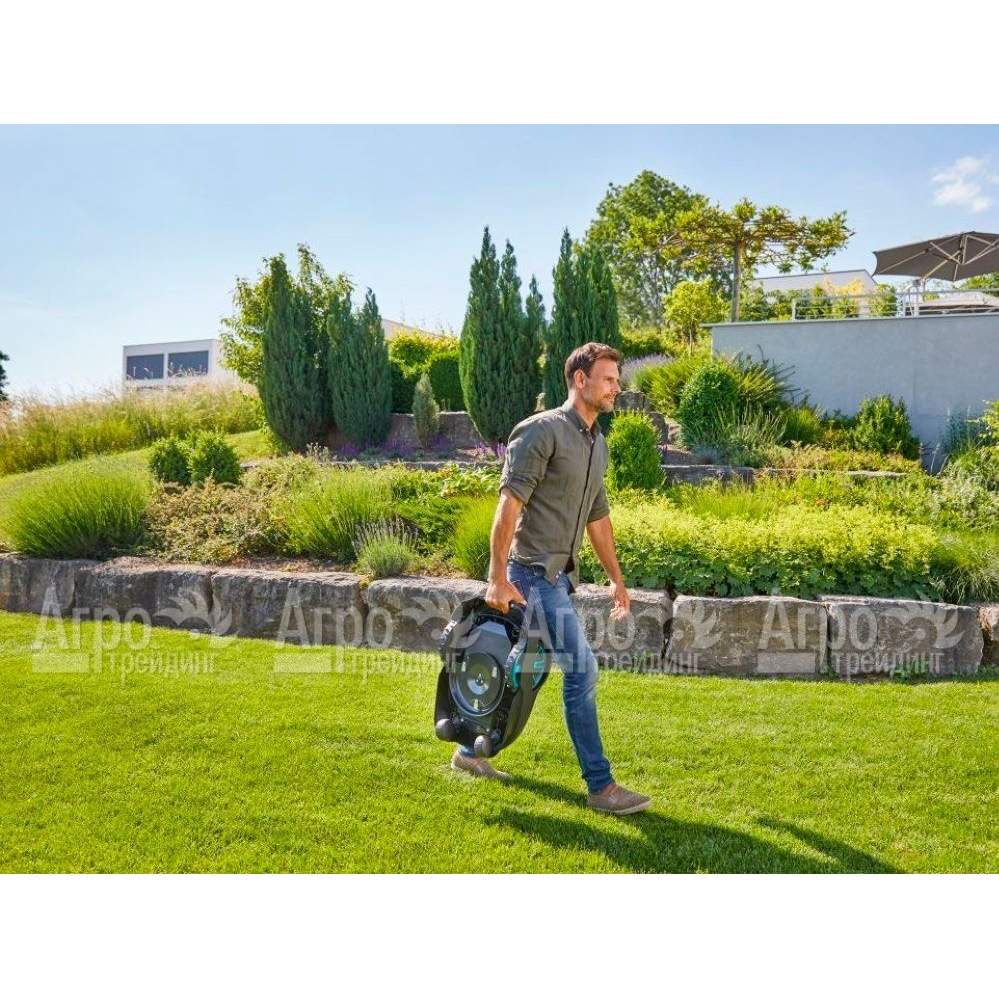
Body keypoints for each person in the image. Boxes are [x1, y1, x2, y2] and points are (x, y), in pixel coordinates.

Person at [450, 342, 652, 815]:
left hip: (558, 579)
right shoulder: (541, 431)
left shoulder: (596, 444)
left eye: (617, 380)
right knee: (582, 669)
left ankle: (469, 751)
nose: (616, 387)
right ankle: (601, 786)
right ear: (580, 379)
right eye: (608, 379)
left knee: (526, 674)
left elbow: (598, 518)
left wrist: (617, 580)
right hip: (530, 574)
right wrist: (496, 578)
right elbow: (508, 505)